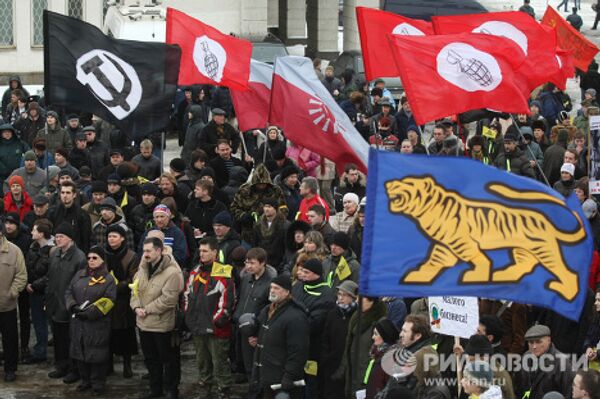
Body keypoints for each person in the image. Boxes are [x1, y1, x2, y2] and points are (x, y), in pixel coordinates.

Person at [131, 237, 184, 399]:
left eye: (148, 251)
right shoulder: (142, 269)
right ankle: (155, 389)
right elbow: (134, 290)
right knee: (150, 360)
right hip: (143, 324)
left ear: (159, 251)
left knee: (168, 360)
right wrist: (136, 306)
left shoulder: (172, 272)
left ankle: (171, 390)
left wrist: (146, 309)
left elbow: (168, 300)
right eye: (144, 250)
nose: (144, 254)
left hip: (162, 325)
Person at [184, 237, 235, 398]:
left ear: (214, 252)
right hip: (198, 325)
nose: (202, 254)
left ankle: (223, 390)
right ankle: (204, 387)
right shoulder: (194, 272)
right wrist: (188, 316)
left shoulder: (224, 272)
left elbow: (228, 301)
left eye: (205, 251)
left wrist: (217, 321)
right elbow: (186, 296)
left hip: (216, 328)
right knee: (202, 361)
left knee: (219, 362)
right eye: (200, 251)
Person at [64, 246, 116, 395]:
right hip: (78, 322)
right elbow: (69, 291)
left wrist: (90, 313)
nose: (91, 261)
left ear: (102, 260)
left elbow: (109, 300)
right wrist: (72, 306)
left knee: (97, 354)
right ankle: (85, 380)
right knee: (80, 352)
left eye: (95, 258)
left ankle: (98, 382)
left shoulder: (108, 279)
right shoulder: (80, 274)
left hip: (97, 324)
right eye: (89, 258)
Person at [251, 274, 310, 399]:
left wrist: (289, 376)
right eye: (271, 287)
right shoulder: (267, 310)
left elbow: (298, 351)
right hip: (265, 376)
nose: (272, 290)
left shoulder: (296, 317)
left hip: (281, 378)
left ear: (287, 292)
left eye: (277, 288)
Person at [46, 223, 87, 382]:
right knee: (58, 339)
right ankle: (61, 366)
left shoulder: (79, 257)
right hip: (55, 303)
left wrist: (73, 304)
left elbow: (80, 283)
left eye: (61, 236)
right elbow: (50, 278)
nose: (58, 239)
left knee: (72, 339)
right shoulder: (55, 254)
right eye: (56, 236)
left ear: (70, 238)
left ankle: (74, 369)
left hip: (70, 305)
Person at [233, 247, 277, 380]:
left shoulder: (270, 283)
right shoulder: (246, 278)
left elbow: (269, 310)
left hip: (254, 328)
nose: (248, 266)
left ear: (263, 263)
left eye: (252, 263)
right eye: (247, 263)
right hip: (239, 325)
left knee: (253, 366)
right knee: (240, 359)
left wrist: (258, 333)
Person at [104, 224, 139, 378]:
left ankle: (127, 365)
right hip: (106, 299)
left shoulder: (131, 256)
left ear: (122, 238)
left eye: (114, 236)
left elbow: (134, 278)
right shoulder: (103, 254)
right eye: (109, 236)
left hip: (124, 300)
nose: (111, 239)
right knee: (108, 334)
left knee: (126, 335)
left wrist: (117, 286)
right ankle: (108, 365)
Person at [337, 296, 387, 398]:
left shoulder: (380, 322)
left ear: (371, 301)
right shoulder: (356, 317)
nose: (356, 301)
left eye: (361, 298)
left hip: (366, 375)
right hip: (352, 371)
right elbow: (349, 346)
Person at [514, 324, 574, 399]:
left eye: (538, 342)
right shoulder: (525, 358)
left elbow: (569, 393)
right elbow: (519, 388)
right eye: (531, 343)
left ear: (549, 340)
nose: (534, 346)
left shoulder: (563, 363)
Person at [0, 220, 27, 383]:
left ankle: (10, 369)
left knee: (10, 339)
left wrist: (13, 292)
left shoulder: (14, 251)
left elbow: (21, 275)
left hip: (7, 305)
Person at [321, 280, 358, 399]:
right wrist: (326, 358)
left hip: (349, 367)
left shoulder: (357, 316)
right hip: (331, 366)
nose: (340, 298)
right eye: (339, 294)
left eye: (344, 295)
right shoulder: (333, 313)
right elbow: (325, 338)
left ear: (353, 297)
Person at [48, 181, 92, 252]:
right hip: (56, 253)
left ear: (74, 195)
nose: (65, 195)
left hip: (76, 254)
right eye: (62, 192)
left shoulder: (82, 215)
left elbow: (86, 240)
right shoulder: (52, 212)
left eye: (68, 193)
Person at [365, 318, 399, 399]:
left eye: (376, 334)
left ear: (385, 336)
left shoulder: (391, 360)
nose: (373, 337)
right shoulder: (377, 354)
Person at [252, 198, 290, 268]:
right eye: (265, 206)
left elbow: (286, 248)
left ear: (275, 208)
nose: (266, 209)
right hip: (262, 263)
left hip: (278, 263)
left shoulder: (284, 225)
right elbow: (255, 244)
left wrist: (282, 264)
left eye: (269, 207)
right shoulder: (258, 225)